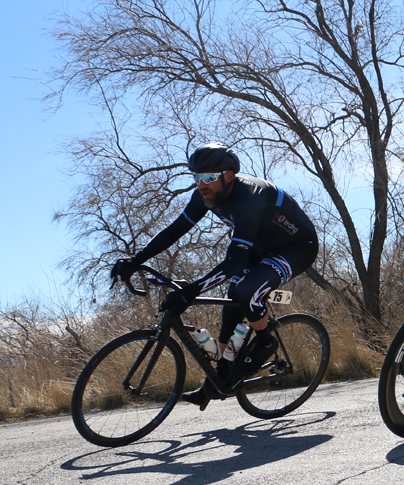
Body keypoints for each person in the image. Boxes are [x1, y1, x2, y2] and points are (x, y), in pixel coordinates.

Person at [109, 143, 319, 408]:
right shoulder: (205, 196)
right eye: (197, 177)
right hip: (259, 246)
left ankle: (266, 342)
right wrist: (134, 261)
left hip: (295, 247)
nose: (202, 184)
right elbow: (174, 231)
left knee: (246, 291)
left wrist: (191, 290)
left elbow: (232, 262)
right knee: (232, 300)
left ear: (228, 175)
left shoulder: (251, 197)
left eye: (208, 177)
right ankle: (218, 380)